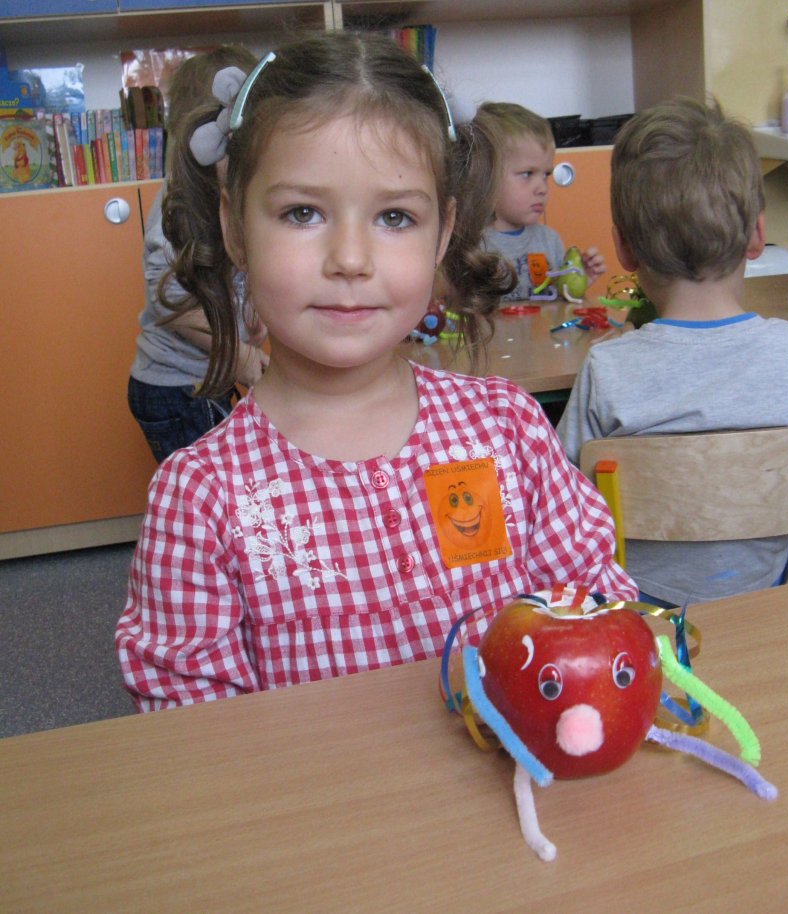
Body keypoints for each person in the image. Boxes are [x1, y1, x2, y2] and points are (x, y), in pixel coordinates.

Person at [116, 32, 637, 712]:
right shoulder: (200, 497)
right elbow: (189, 727)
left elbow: (596, 606)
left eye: (395, 216)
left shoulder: (506, 429)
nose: (351, 259)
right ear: (236, 227)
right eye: (302, 213)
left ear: (442, 233)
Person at [556, 96, 788, 607]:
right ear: (758, 235)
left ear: (624, 247)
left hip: (641, 604)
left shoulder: (607, 370)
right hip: (768, 591)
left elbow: (563, 504)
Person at [128, 45, 269, 463]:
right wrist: (239, 353)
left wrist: (252, 314)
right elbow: (171, 300)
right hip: (177, 389)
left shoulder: (224, 193)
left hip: (202, 380)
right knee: (208, 484)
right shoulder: (182, 206)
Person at [476, 102, 606, 301]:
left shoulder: (549, 241)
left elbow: (558, 307)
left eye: (546, 175)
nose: (542, 188)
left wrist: (577, 284)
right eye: (527, 174)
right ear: (486, 177)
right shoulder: (474, 247)